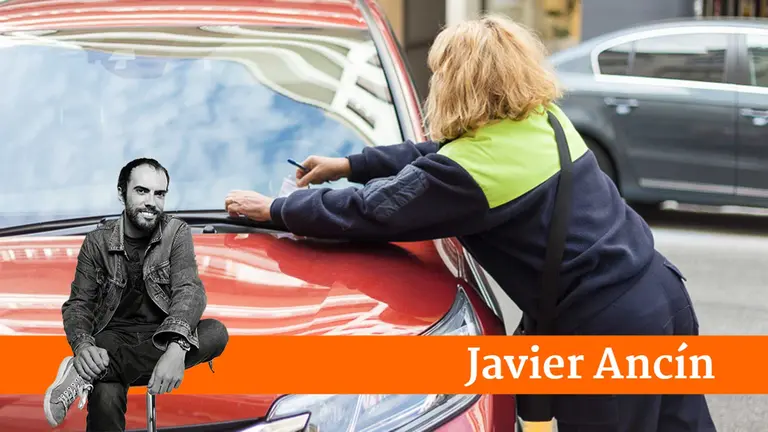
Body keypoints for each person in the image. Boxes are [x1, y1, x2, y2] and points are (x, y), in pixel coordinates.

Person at [223, 14, 715, 432]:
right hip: (663, 296)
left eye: (439, 73)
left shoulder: (469, 174)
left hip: (609, 333)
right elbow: (437, 156)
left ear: (459, 83)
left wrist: (276, 210)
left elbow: (374, 211)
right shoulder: (543, 122)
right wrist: (351, 164)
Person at [44, 158, 229, 431]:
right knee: (105, 386)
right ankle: (94, 368)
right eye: (142, 191)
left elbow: (189, 290)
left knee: (216, 333)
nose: (151, 201)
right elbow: (79, 305)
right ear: (122, 193)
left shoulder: (176, 232)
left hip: (161, 337)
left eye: (159, 193)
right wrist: (83, 347)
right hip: (113, 337)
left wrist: (177, 348)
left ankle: (84, 375)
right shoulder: (97, 242)